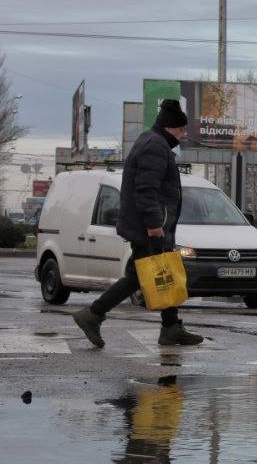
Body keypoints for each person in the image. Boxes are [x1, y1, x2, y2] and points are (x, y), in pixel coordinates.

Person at [72, 99, 203, 347]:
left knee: (159, 271)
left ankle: (171, 327)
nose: (184, 134)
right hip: (149, 228)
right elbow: (145, 190)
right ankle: (93, 314)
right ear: (170, 127)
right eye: (182, 129)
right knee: (141, 276)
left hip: (152, 226)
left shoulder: (154, 142)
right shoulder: (155, 146)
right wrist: (154, 225)